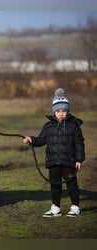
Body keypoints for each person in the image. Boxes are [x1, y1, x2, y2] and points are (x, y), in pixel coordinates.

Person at [22, 88, 85, 218]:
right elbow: (42, 139)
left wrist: (79, 159)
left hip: (69, 161)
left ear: (67, 111)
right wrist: (31, 140)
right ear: (54, 112)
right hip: (53, 162)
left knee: (72, 185)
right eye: (58, 111)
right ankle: (56, 207)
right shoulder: (48, 126)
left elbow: (79, 144)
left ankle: (75, 207)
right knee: (55, 185)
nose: (61, 114)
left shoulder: (74, 126)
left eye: (63, 111)